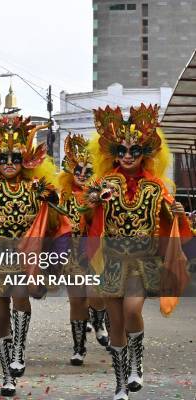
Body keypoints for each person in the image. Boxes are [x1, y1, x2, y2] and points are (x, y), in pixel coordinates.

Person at [85, 104, 192, 400]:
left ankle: (138, 364)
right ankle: (120, 385)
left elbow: (173, 223)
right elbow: (84, 212)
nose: (128, 156)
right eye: (121, 150)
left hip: (142, 263)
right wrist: (92, 200)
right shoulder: (104, 184)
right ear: (113, 153)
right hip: (111, 262)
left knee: (132, 310)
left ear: (147, 152)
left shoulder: (156, 186)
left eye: (135, 150)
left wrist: (179, 213)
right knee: (115, 324)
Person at [0, 116, 72, 397]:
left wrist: (51, 204)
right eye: (3, 157)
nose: (9, 163)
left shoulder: (37, 188)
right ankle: (7, 374)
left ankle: (19, 350)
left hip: (25, 258)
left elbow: (54, 223)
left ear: (27, 159)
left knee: (20, 300)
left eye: (15, 157)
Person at [58, 133, 109, 366]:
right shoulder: (64, 198)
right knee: (77, 301)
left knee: (96, 297)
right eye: (77, 170)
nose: (81, 175)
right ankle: (79, 348)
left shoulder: (103, 196)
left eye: (87, 171)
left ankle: (99, 321)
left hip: (97, 254)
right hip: (72, 256)